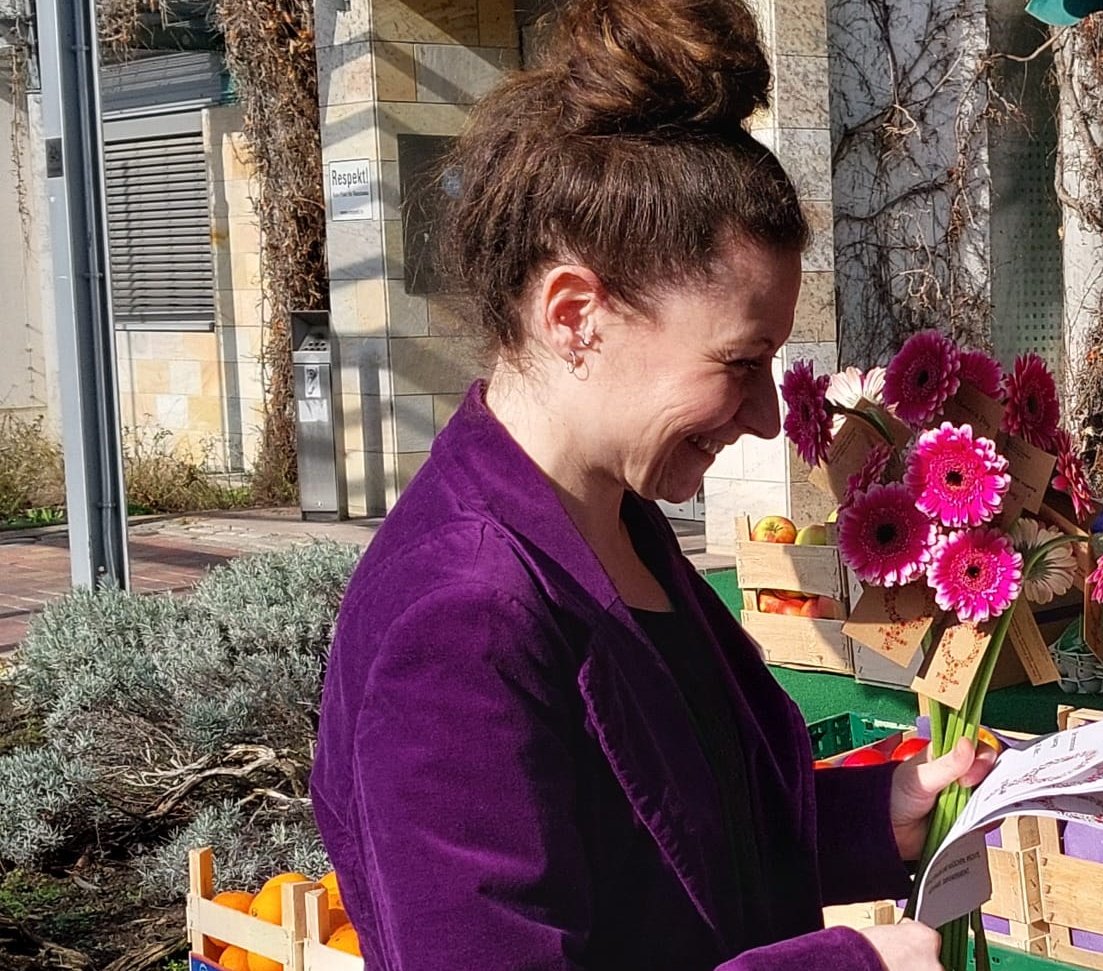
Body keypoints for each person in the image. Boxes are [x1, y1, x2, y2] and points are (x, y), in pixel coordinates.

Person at [307, 1, 992, 967]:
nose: (764, 415)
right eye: (739, 361)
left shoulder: (618, 525)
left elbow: (675, 850)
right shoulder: (461, 619)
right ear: (576, 314)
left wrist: (878, 818)